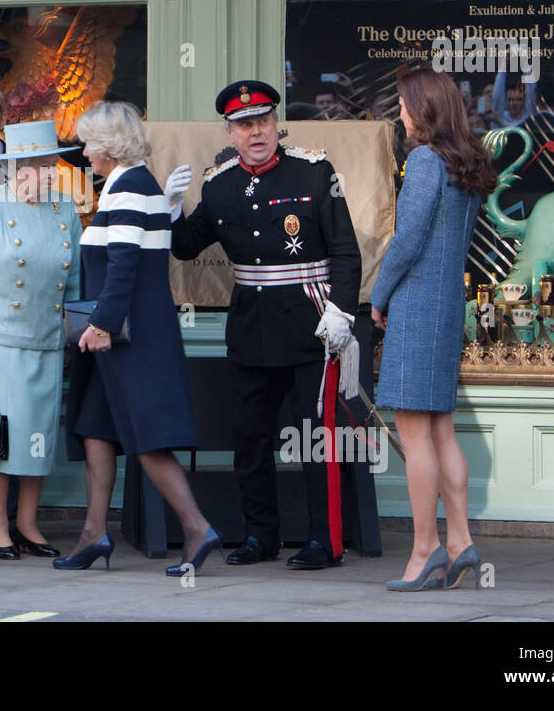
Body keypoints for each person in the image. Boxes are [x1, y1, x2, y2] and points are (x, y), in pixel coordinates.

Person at [171, 80, 362, 570]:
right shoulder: (220, 184)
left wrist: (342, 311)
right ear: (230, 133)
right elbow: (188, 245)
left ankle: (325, 542)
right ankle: (260, 536)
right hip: (252, 327)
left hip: (311, 322)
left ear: (276, 124)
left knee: (315, 437)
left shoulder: (315, 173)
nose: (255, 133)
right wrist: (169, 209)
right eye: (243, 125)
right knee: (250, 438)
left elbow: (344, 250)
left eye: (262, 121)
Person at [61, 102, 220, 575]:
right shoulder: (126, 183)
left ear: (109, 145)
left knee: (148, 437)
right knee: (95, 427)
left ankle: (196, 528)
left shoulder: (129, 184)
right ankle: (94, 533)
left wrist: (103, 325)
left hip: (129, 337)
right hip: (115, 336)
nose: (85, 152)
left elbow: (124, 266)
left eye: (90, 142)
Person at [371, 66, 497, 591]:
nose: (398, 111)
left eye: (402, 103)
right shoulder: (465, 161)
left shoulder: (424, 159)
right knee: (441, 429)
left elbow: (406, 242)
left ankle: (425, 551)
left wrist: (377, 297)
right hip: (447, 307)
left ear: (422, 108)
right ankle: (461, 540)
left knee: (415, 436)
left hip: (417, 307)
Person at [0, 119, 82, 560]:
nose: (46, 174)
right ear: (15, 167)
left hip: (47, 340)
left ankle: (28, 521)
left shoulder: (65, 210)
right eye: (36, 166)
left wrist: (76, 334)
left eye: (51, 165)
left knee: (36, 438)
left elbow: (76, 282)